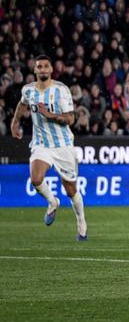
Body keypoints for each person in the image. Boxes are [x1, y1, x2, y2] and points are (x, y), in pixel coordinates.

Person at [10, 55, 88, 241]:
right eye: (39, 66)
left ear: (51, 69)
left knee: (70, 189)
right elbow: (22, 104)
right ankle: (52, 202)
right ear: (35, 70)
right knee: (36, 178)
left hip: (63, 145)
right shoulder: (28, 90)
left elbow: (70, 119)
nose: (43, 69)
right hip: (41, 144)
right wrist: (15, 122)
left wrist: (51, 115)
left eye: (46, 66)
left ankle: (81, 221)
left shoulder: (61, 90)